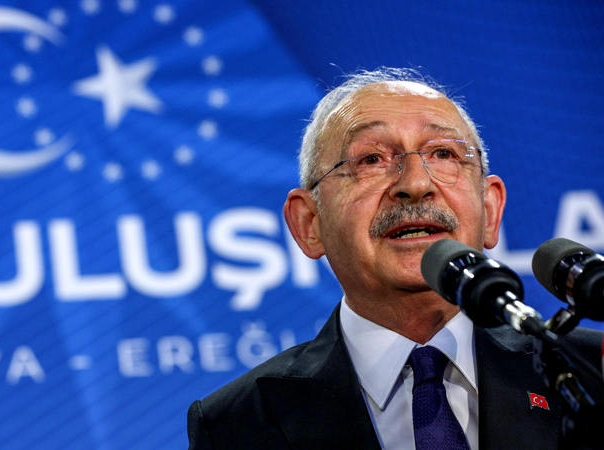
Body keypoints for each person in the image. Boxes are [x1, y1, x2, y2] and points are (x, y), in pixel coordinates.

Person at [187, 67, 603, 449]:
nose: (416, 183)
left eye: (444, 154)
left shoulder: (591, 371)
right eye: (371, 159)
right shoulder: (235, 425)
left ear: (490, 210)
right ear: (309, 223)